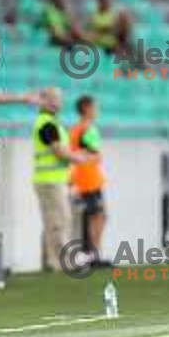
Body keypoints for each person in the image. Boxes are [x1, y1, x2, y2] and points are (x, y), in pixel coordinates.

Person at [32, 88, 87, 272]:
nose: (58, 103)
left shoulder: (50, 122)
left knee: (52, 222)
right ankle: (62, 262)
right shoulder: (47, 124)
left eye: (59, 99)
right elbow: (58, 150)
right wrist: (77, 157)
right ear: (45, 101)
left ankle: (51, 261)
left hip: (51, 180)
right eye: (54, 99)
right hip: (49, 181)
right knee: (59, 221)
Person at [70, 96, 106, 263]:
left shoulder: (78, 128)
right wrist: (96, 156)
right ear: (86, 108)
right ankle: (93, 255)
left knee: (97, 215)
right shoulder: (85, 129)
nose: (97, 110)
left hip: (88, 178)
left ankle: (93, 254)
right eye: (95, 107)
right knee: (96, 215)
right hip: (88, 179)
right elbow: (92, 154)